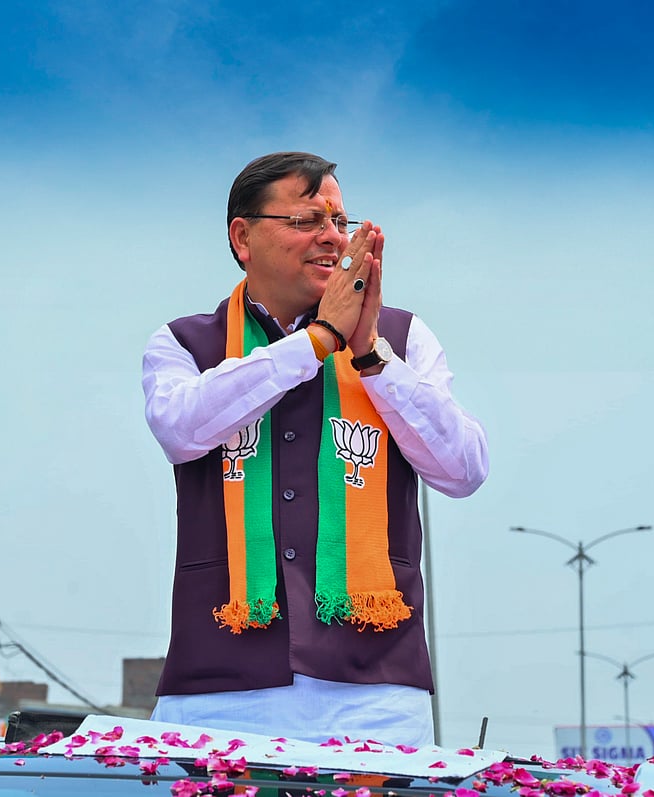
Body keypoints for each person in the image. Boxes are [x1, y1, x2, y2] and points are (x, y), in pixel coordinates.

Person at [142, 151, 488, 746]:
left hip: (375, 689)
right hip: (219, 690)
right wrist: (317, 341)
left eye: (341, 222)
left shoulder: (402, 337)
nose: (331, 237)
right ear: (243, 237)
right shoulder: (184, 343)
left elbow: (463, 470)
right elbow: (181, 428)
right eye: (307, 221)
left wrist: (371, 355)